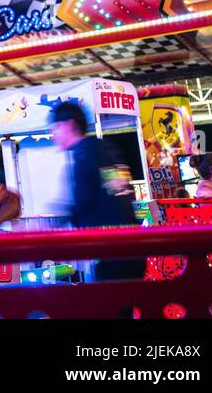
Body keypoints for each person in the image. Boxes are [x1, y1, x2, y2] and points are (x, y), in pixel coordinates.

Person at [49, 101, 142, 281]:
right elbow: (118, 193)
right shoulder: (107, 149)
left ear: (69, 125)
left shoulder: (84, 155)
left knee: (109, 305)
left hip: (113, 250)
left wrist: (52, 227)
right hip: (133, 244)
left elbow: (83, 203)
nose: (53, 135)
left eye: (56, 128)